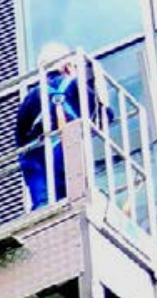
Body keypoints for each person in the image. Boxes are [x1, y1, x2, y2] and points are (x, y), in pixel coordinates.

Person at [15, 42, 109, 210]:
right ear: (66, 66)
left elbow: (20, 140)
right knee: (72, 198)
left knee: (43, 205)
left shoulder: (30, 98)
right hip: (65, 148)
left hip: (36, 158)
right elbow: (105, 116)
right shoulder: (75, 86)